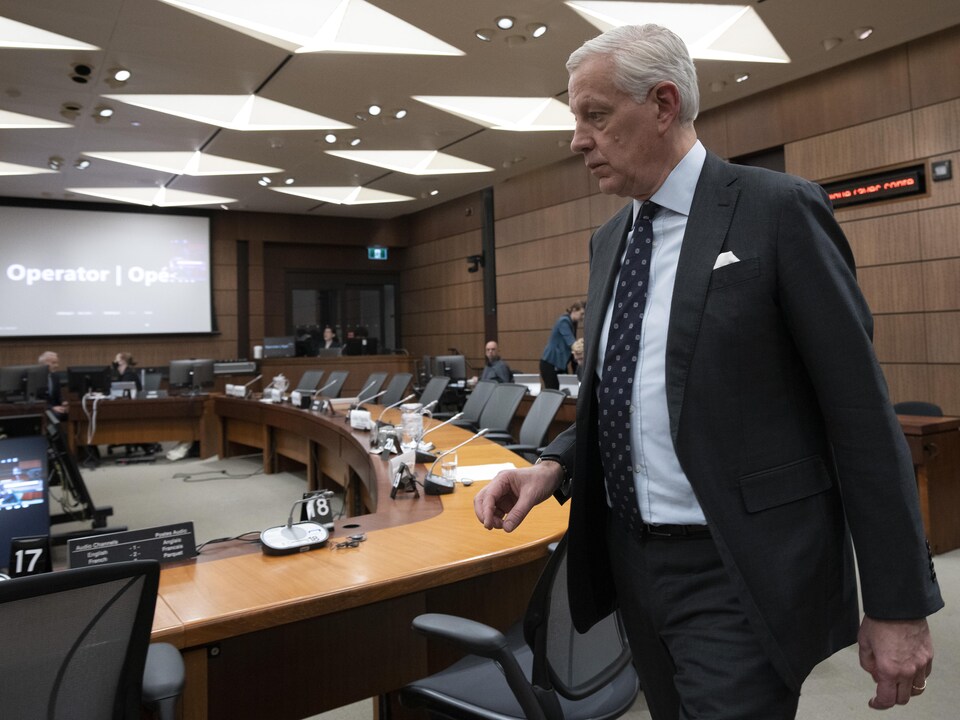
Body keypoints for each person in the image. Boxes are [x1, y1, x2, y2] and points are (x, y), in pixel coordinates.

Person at [475, 24, 941, 720]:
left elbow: (860, 415)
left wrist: (899, 602)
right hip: (631, 563)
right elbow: (627, 396)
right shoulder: (610, 242)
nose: (576, 140)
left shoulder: (776, 211)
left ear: (663, 104)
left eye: (594, 116)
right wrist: (554, 465)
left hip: (738, 568)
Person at [539, 301, 585, 390]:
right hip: (551, 363)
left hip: (560, 365)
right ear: (574, 310)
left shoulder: (573, 323)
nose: (583, 317)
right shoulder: (563, 321)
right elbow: (572, 344)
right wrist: (583, 343)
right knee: (554, 393)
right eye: (582, 314)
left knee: (567, 391)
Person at [38, 350, 67, 419]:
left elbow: (58, 395)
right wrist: (51, 408)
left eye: (57, 363)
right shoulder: (36, 378)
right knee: (55, 415)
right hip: (43, 408)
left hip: (56, 407)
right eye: (53, 363)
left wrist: (63, 402)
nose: (57, 365)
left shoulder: (55, 376)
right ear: (44, 364)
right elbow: (36, 399)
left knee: (73, 413)